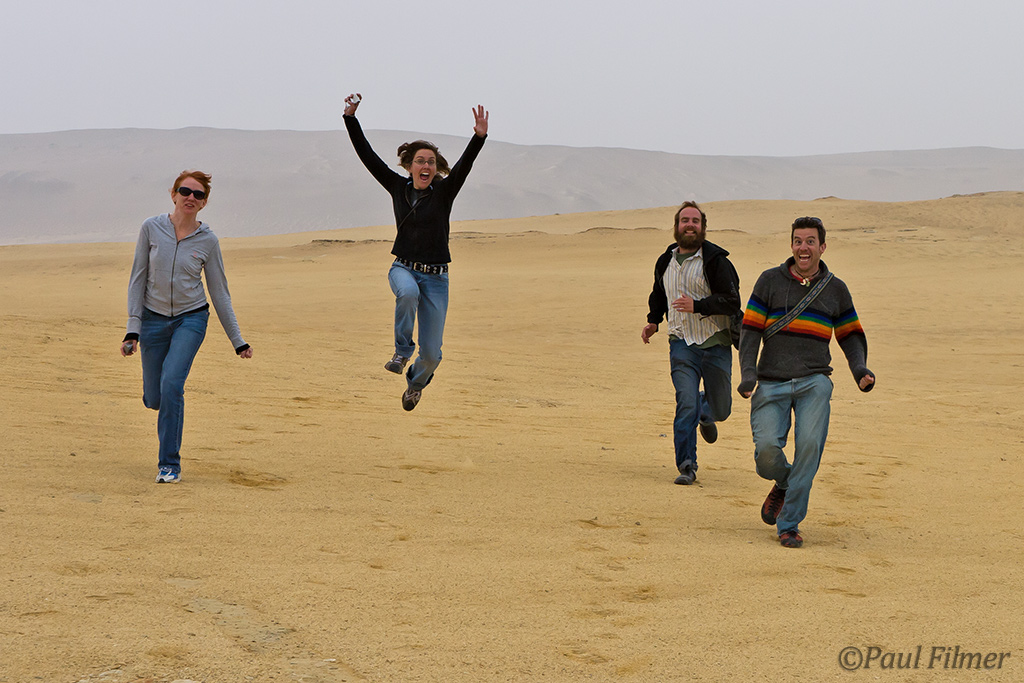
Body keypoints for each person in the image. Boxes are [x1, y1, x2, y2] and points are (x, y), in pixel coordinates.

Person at [342, 92, 488, 411]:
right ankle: (401, 351)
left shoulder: (445, 191)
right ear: (409, 166)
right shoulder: (397, 186)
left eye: (431, 162)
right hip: (404, 268)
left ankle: (416, 383)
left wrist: (478, 138)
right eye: (420, 161)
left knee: (433, 354)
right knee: (407, 294)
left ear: (436, 169)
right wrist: (350, 119)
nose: (426, 166)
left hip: (437, 278)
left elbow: (464, 167)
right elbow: (368, 157)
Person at [738, 216, 875, 548]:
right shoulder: (769, 281)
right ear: (791, 245)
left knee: (809, 448)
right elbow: (750, 330)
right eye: (798, 241)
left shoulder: (836, 289)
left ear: (822, 247)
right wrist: (748, 373)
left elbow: (850, 335)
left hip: (814, 381)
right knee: (766, 454)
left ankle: (789, 524)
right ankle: (785, 482)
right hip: (771, 381)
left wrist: (860, 370)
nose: (804, 247)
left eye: (810, 241)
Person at [121, 171, 253, 484]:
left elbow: (219, 292)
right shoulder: (151, 228)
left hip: (190, 319)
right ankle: (163, 409)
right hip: (152, 320)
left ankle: (169, 465)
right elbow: (137, 278)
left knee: (172, 385)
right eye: (185, 191)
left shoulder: (208, 241)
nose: (190, 197)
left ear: (204, 203)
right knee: (155, 398)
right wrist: (133, 329)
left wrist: (238, 340)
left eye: (198, 194)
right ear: (173, 194)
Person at [642, 201, 741, 485]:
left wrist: (697, 305)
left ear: (703, 228)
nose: (690, 225)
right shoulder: (665, 261)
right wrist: (653, 321)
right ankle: (687, 465)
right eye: (685, 220)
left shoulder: (717, 261)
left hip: (715, 344)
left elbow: (732, 301)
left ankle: (706, 413)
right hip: (681, 344)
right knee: (685, 402)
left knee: (721, 410)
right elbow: (659, 294)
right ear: (676, 226)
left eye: (695, 221)